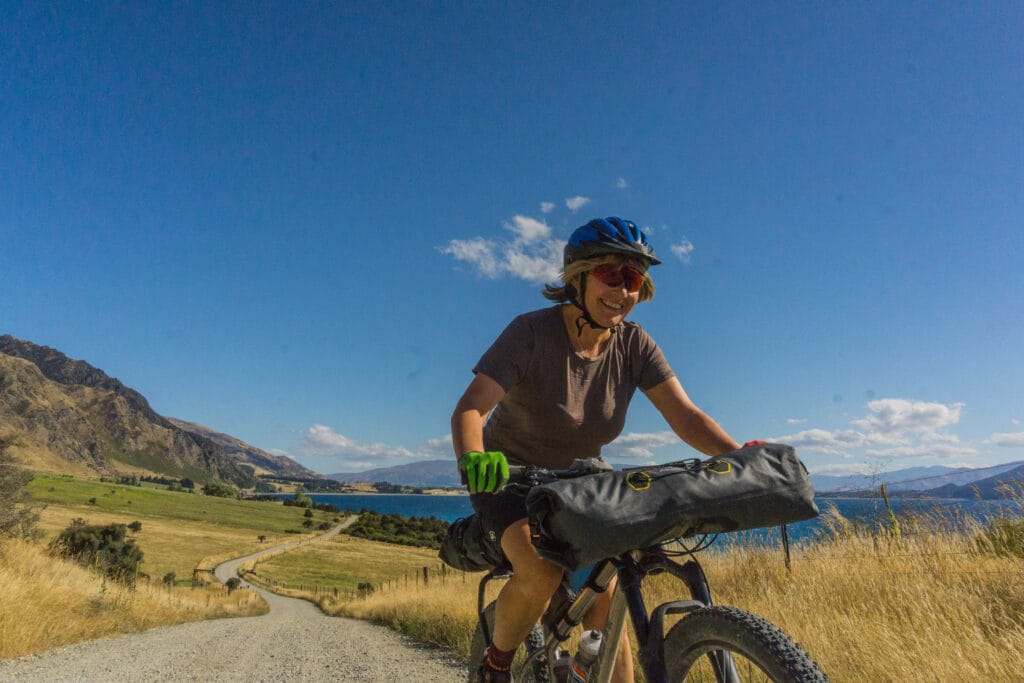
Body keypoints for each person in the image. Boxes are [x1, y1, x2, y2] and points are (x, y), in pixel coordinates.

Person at [452, 217, 743, 683]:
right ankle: (496, 664)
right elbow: (470, 409)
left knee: (609, 593)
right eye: (612, 275)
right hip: (508, 477)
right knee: (542, 573)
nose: (623, 291)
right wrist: (474, 458)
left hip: (582, 478)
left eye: (634, 279)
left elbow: (686, 416)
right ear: (578, 278)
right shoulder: (529, 333)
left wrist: (742, 457)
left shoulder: (635, 344)